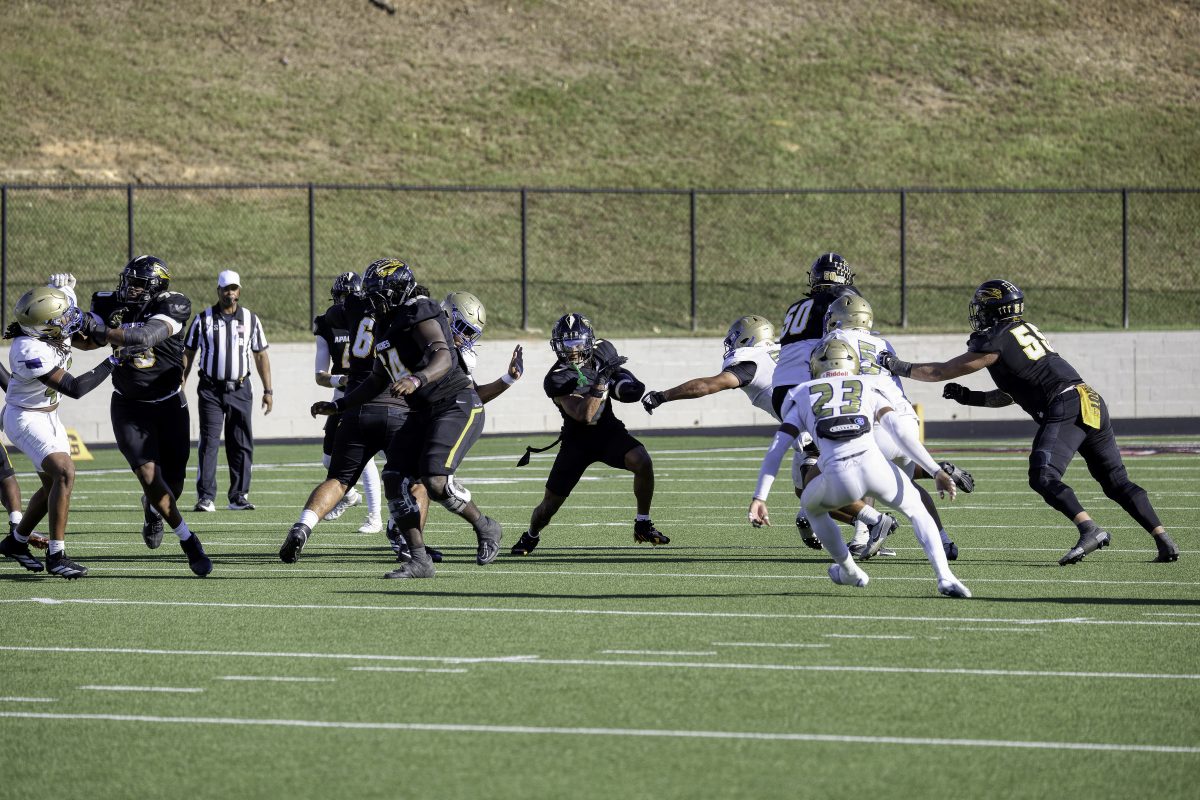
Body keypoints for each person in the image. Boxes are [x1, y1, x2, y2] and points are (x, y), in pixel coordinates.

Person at [877, 278, 1179, 566]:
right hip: (1090, 399)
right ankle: (1163, 538)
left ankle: (1089, 528)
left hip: (1066, 403)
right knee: (1116, 482)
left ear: (995, 309)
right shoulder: (1024, 331)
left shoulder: (995, 338)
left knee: (1042, 475)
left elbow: (940, 372)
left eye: (982, 308)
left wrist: (896, 365)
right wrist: (970, 398)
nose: (979, 314)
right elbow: (1011, 395)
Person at [306, 259, 501, 579]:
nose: (372, 301)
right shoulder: (385, 324)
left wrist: (416, 379)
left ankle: (485, 526)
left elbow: (442, 354)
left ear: (396, 292)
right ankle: (419, 560)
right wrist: (340, 406)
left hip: (454, 404)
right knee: (394, 477)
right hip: (421, 412)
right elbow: (377, 379)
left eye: (377, 294)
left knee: (435, 481)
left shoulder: (419, 311)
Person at [748, 336, 971, 598]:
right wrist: (935, 470)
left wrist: (760, 497)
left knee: (811, 507)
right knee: (917, 511)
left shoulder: (802, 393)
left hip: (837, 476)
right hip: (876, 468)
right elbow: (899, 431)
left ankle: (848, 569)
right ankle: (945, 577)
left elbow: (777, 448)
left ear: (815, 366)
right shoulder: (869, 384)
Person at [278, 262, 421, 565]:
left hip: (355, 403)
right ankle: (404, 540)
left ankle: (303, 526)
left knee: (338, 479)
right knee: (413, 479)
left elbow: (338, 314)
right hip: (395, 401)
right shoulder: (404, 313)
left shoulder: (349, 309)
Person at [821, 294, 973, 561]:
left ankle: (861, 538)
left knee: (850, 480)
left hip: (873, 417)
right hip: (905, 418)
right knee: (907, 488)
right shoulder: (882, 342)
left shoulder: (833, 340)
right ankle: (944, 541)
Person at [87, 255, 212, 577]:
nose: (130, 288)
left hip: (169, 403)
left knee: (174, 485)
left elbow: (144, 337)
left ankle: (152, 509)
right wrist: (65, 312)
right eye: (128, 281)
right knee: (149, 476)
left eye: (139, 283)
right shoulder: (109, 303)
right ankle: (189, 541)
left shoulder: (174, 304)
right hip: (128, 405)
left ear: (157, 286)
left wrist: (98, 329)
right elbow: (85, 342)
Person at [767, 253, 899, 554]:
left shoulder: (796, 306)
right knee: (854, 451)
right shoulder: (839, 299)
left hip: (783, 390)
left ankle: (824, 516)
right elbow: (854, 314)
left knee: (817, 459)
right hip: (813, 385)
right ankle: (866, 526)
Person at [510, 312, 665, 556]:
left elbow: (629, 386)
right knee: (548, 507)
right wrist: (601, 381)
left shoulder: (603, 351)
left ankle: (643, 523)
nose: (573, 349)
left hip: (609, 432)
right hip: (577, 442)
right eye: (567, 343)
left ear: (588, 341)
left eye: (577, 342)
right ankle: (531, 535)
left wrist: (624, 384)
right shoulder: (557, 378)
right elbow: (584, 415)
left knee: (642, 460)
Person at [0, 279, 117, 578]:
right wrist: (113, 361)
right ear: (44, 326)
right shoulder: (27, 349)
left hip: (49, 416)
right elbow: (75, 388)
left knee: (52, 485)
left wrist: (110, 328)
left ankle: (16, 541)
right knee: (64, 471)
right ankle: (57, 555)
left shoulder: (46, 325)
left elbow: (88, 341)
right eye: (61, 318)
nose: (67, 321)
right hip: (25, 418)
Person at [182, 269, 272, 512]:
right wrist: (181, 385)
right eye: (225, 289)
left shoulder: (251, 319)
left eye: (233, 289)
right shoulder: (203, 319)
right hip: (210, 389)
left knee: (241, 442)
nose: (229, 293)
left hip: (240, 388)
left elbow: (260, 355)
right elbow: (188, 353)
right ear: (218, 291)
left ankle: (239, 496)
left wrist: (268, 390)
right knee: (209, 441)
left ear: (239, 291)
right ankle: (205, 497)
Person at [313, 271, 382, 533]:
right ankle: (350, 496)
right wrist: (341, 380)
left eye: (350, 296)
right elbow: (320, 376)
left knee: (366, 460)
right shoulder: (327, 323)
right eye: (341, 296)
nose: (345, 302)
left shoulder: (374, 319)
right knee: (328, 461)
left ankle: (375, 517)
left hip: (369, 395)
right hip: (342, 396)